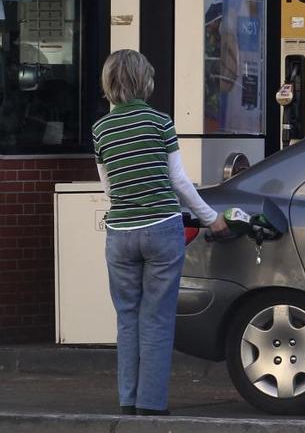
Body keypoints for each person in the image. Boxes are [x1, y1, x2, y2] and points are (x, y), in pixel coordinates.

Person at [92, 49, 229, 415]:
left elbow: (108, 190)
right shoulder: (159, 122)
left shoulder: (100, 129)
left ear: (109, 83)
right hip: (160, 228)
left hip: (120, 233)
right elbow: (178, 180)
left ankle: (127, 400)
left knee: (128, 318)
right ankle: (151, 404)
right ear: (144, 81)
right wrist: (211, 216)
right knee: (156, 318)